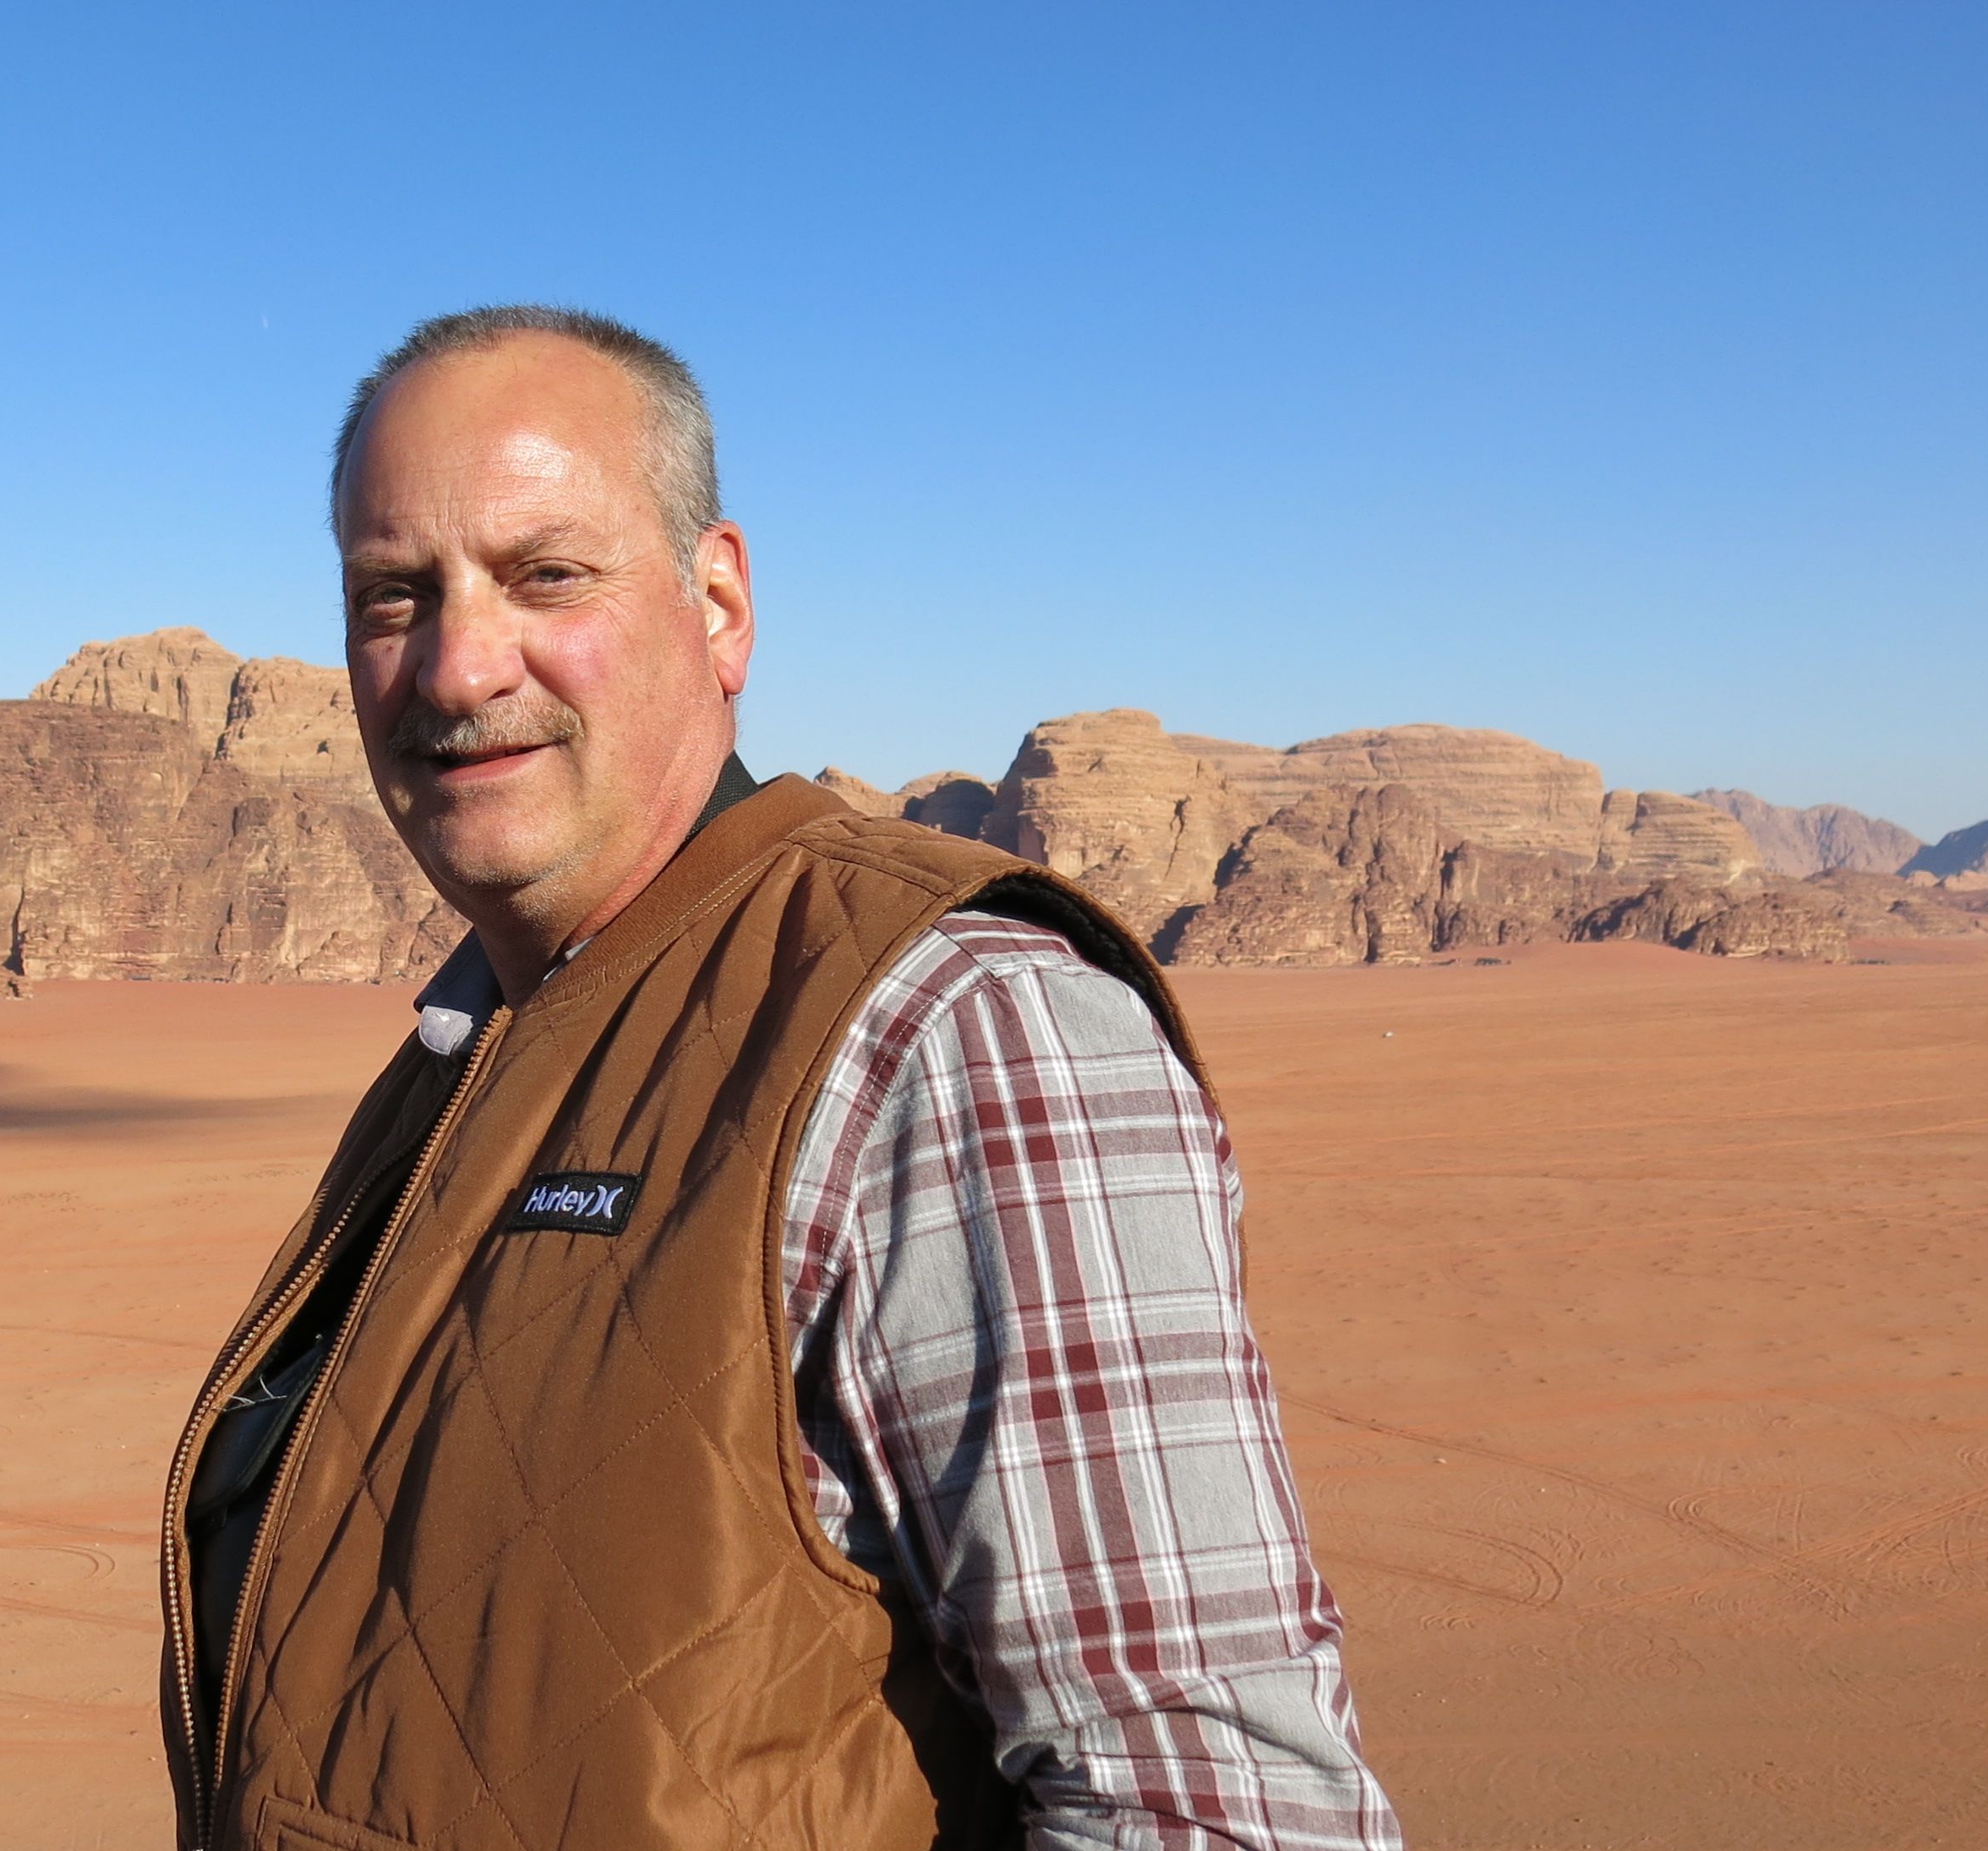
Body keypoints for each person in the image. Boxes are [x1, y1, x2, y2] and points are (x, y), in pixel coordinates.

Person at [159, 306, 1402, 1850]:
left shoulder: (953, 1029)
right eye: (391, 596)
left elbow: (1215, 1811)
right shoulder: (480, 1041)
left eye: (548, 573)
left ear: (721, 603)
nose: (460, 664)